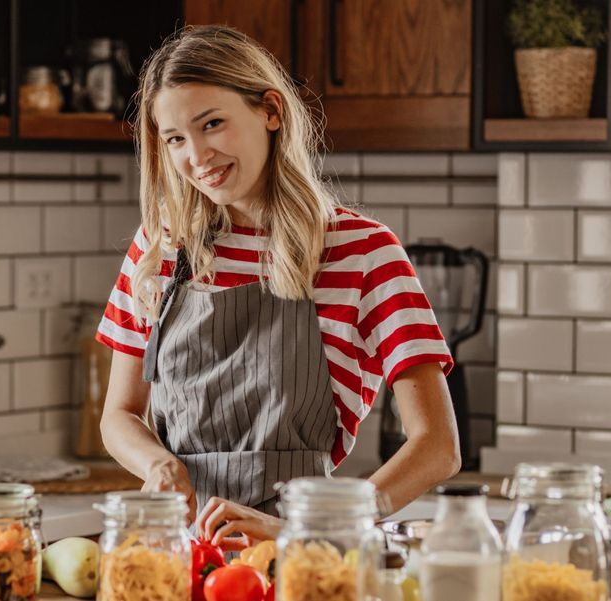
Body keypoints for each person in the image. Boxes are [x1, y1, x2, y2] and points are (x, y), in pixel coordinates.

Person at [95, 25, 460, 551]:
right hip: (175, 552)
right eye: (175, 138)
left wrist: (319, 528)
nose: (196, 156)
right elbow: (119, 415)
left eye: (212, 124)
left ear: (270, 111)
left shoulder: (362, 251)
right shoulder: (161, 245)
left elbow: (437, 447)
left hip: (299, 555)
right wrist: (159, 464)